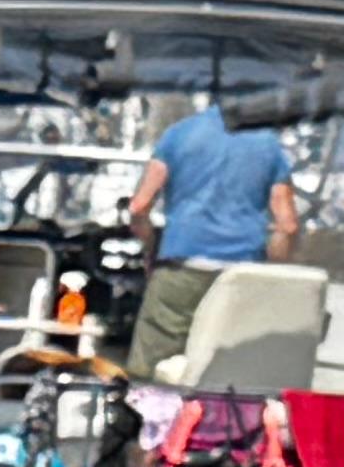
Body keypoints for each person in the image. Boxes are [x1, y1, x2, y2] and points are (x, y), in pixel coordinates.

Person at [129, 100, 302, 372]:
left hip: (181, 269)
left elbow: (140, 207)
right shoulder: (269, 145)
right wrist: (271, 271)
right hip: (242, 277)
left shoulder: (179, 134)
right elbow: (288, 225)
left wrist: (151, 248)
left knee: (153, 368)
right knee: (227, 368)